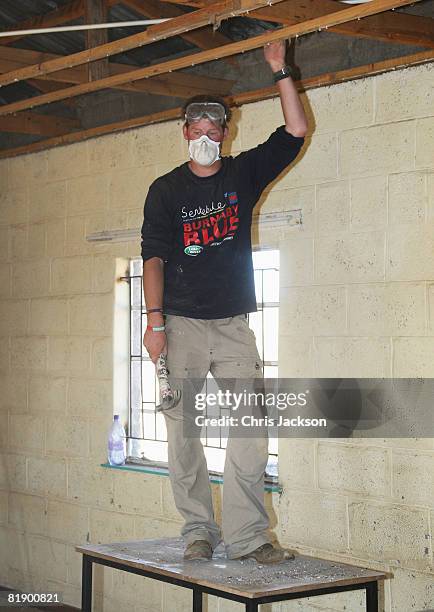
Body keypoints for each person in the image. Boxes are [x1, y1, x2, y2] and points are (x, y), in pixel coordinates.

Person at [141, 38, 308, 564]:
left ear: (226, 133)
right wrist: (154, 322)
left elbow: (296, 131)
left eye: (217, 129)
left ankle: (248, 537)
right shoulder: (165, 190)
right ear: (185, 133)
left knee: (252, 426)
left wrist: (280, 67)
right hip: (181, 325)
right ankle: (197, 531)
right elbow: (153, 260)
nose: (208, 137)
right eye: (199, 129)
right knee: (183, 430)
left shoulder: (242, 175)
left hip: (233, 326)